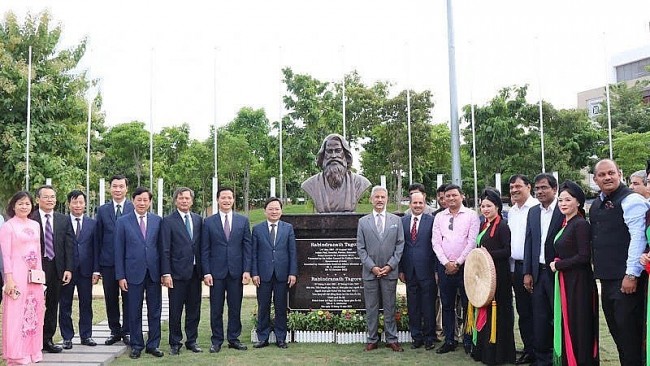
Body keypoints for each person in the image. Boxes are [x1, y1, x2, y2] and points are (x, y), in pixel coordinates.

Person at [590, 159, 649, 366]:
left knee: (630, 337)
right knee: (617, 333)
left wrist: (631, 274)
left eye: (611, 173)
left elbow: (638, 238)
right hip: (606, 279)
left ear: (619, 173)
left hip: (626, 280)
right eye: (602, 174)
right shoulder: (596, 203)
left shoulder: (631, 200)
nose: (607, 177)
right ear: (595, 179)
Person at [550, 180, 599, 365]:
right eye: (560, 200)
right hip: (567, 281)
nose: (563, 203)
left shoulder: (580, 224)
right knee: (568, 323)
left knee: (579, 325)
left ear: (578, 202)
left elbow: (584, 257)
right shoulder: (566, 224)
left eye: (567, 200)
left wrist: (559, 265)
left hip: (579, 283)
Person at [115, 187, 164, 359]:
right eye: (139, 200)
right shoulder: (123, 221)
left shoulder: (158, 221)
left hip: (154, 273)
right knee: (134, 311)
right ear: (133, 201)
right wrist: (120, 275)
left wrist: (164, 273)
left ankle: (153, 344)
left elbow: (162, 249)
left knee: (155, 311)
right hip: (132, 274)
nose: (142, 203)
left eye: (145, 200)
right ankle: (136, 345)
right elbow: (118, 250)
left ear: (150, 202)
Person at [201, 187, 251, 353]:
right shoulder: (208, 222)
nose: (227, 200)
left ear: (233, 200)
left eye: (229, 197)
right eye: (223, 197)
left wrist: (247, 270)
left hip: (236, 272)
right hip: (216, 273)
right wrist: (206, 272)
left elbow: (247, 247)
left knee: (235, 307)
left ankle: (234, 339)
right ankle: (216, 341)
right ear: (217, 200)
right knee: (216, 308)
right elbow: (205, 249)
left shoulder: (243, 221)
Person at [470, 188, 516, 365]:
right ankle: (484, 351)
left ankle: (500, 354)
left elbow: (507, 251)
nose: (485, 209)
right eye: (483, 206)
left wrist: (486, 254)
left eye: (489, 206)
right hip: (485, 276)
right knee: (484, 311)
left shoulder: (503, 226)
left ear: (497, 206)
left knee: (499, 313)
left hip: (499, 276)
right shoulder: (484, 225)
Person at [432, 184, 480, 354]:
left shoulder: (472, 216)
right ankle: (449, 340)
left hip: (465, 267)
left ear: (462, 196)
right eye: (447, 196)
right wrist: (446, 263)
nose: (451, 199)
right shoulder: (439, 217)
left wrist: (458, 263)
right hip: (445, 267)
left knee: (467, 305)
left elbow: (472, 242)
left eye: (454, 195)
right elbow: (436, 242)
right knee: (447, 305)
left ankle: (468, 340)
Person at [522, 173, 564, 366]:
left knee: (559, 317)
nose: (540, 191)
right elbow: (529, 243)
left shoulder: (563, 209)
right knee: (539, 318)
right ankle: (542, 360)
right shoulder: (533, 212)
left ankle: (561, 357)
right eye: (537, 188)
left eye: (544, 187)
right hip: (538, 274)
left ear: (554, 189)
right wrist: (528, 273)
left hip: (558, 273)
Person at [357, 186, 405, 352]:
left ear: (387, 199)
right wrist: (373, 267)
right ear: (371, 199)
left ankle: (392, 339)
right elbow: (360, 248)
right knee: (371, 308)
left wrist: (390, 265)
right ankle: (372, 339)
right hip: (370, 273)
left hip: (389, 272)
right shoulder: (363, 222)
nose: (379, 200)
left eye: (382, 197)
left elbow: (400, 245)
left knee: (390, 307)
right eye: (376, 197)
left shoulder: (395, 221)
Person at [1, 191, 45, 365]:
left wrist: (41, 279)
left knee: (34, 313)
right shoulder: (8, 227)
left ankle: (33, 351)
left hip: (34, 276)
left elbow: (39, 253)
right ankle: (16, 353)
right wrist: (9, 279)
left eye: (27, 203)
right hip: (16, 276)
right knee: (16, 314)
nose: (24, 206)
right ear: (13, 206)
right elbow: (6, 256)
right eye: (20, 203)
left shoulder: (35, 225)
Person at [29, 185, 74, 354]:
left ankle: (47, 339)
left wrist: (68, 268)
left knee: (52, 305)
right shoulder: (31, 218)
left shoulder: (63, 219)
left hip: (56, 268)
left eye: (53, 197)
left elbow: (69, 246)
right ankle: (32, 341)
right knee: (33, 305)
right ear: (37, 199)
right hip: (35, 268)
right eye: (46, 197)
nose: (50, 200)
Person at [161, 187, 204, 355]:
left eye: (187, 198)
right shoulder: (168, 221)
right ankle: (175, 342)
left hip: (195, 273)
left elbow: (201, 247)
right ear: (176, 201)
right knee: (175, 310)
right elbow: (165, 249)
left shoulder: (199, 220)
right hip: (176, 274)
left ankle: (191, 341)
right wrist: (166, 273)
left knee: (194, 309)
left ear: (192, 201)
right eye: (181, 198)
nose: (184, 201)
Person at [251, 197, 297, 349]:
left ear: (281, 211)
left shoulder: (288, 228)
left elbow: (292, 252)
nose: (274, 211)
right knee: (263, 307)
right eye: (271, 209)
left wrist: (292, 273)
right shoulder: (257, 229)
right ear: (265, 211)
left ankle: (280, 338)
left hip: (282, 275)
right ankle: (262, 338)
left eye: (277, 209)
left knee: (280, 307)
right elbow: (254, 254)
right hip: (263, 275)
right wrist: (254, 273)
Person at [95, 174, 134, 345]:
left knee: (128, 298)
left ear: (127, 188)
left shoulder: (134, 207)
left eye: (121, 186)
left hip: (129, 262)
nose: (118, 189)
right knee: (111, 298)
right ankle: (114, 331)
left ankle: (127, 331)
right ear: (110, 188)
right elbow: (98, 239)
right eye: (114, 186)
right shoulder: (103, 210)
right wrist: (97, 268)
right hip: (108, 262)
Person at [506, 174, 538, 364]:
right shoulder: (512, 211)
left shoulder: (535, 208)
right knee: (523, 311)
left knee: (538, 311)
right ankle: (529, 349)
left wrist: (528, 271)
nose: (514, 190)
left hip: (532, 268)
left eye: (518, 186)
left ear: (528, 186)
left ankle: (541, 349)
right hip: (515, 267)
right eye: (511, 187)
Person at [59, 190, 98, 349]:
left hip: (86, 271)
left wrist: (96, 270)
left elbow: (96, 247)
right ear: (69, 204)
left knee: (86, 303)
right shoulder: (62, 222)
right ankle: (67, 337)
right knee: (65, 304)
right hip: (66, 271)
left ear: (85, 204)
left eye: (81, 202)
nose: (78, 205)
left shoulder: (92, 223)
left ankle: (86, 335)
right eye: (74, 202)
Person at [399, 191, 437, 350]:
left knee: (428, 305)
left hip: (427, 271)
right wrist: (400, 269)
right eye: (415, 203)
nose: (418, 206)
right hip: (409, 271)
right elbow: (399, 247)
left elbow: (436, 247)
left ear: (425, 203)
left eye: (420, 203)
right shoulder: (402, 221)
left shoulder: (432, 221)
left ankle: (429, 337)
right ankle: (416, 336)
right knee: (413, 305)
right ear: (410, 204)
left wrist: (436, 271)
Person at [301, 133, 371, 212]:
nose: (333, 156)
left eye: (338, 151)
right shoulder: (311, 184)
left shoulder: (360, 182)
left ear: (345, 154)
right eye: (329, 151)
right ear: (323, 155)